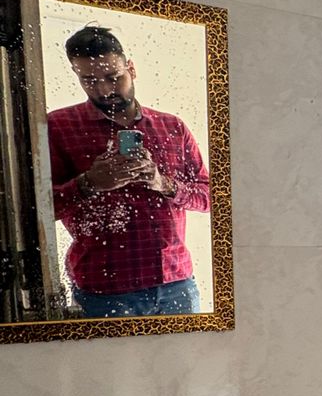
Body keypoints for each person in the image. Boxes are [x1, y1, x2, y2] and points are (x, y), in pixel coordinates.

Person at [47, 24, 210, 317]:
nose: (104, 90)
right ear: (76, 75)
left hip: (177, 283)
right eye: (89, 80)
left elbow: (212, 198)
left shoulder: (172, 127)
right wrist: (89, 183)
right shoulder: (57, 127)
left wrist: (164, 184)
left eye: (113, 77)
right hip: (104, 289)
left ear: (131, 69)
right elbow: (35, 212)